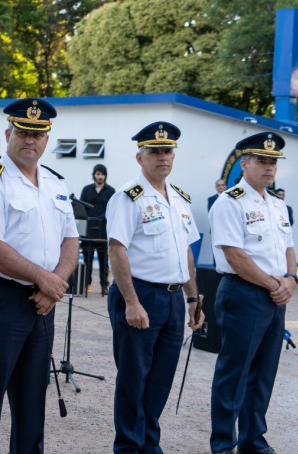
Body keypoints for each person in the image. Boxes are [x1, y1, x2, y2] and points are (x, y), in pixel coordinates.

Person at [0, 98, 79, 454]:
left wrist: (53, 282)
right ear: (9, 133)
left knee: (31, 402)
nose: (31, 140)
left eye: (38, 134)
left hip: (42, 303)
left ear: (47, 139)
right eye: (24, 132)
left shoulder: (56, 183)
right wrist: (45, 279)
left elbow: (70, 239)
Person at [105, 121, 204, 454]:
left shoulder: (179, 199)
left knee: (161, 378)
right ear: (140, 157)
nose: (162, 158)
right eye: (155, 152)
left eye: (167, 152)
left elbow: (187, 253)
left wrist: (193, 298)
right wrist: (131, 302)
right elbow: (116, 249)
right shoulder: (127, 198)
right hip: (141, 295)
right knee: (134, 378)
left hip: (175, 298)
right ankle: (129, 447)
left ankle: (149, 444)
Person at [209, 132, 297, 454]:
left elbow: (288, 248)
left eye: (273, 161)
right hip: (244, 293)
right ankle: (223, 445)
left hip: (275, 296)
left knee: (263, 375)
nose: (269, 167)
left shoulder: (277, 205)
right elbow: (235, 255)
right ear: (244, 164)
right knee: (234, 373)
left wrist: (292, 279)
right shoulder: (229, 202)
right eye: (262, 160)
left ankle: (252, 442)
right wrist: (275, 284)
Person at [79, 163, 115, 295]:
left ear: (105, 176)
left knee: (103, 260)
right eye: (98, 174)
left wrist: (99, 219)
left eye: (102, 174)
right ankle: (86, 284)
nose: (100, 177)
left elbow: (111, 209)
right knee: (87, 259)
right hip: (88, 231)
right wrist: (90, 219)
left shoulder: (111, 191)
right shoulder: (86, 189)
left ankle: (104, 286)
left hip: (103, 231)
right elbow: (81, 206)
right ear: (94, 175)